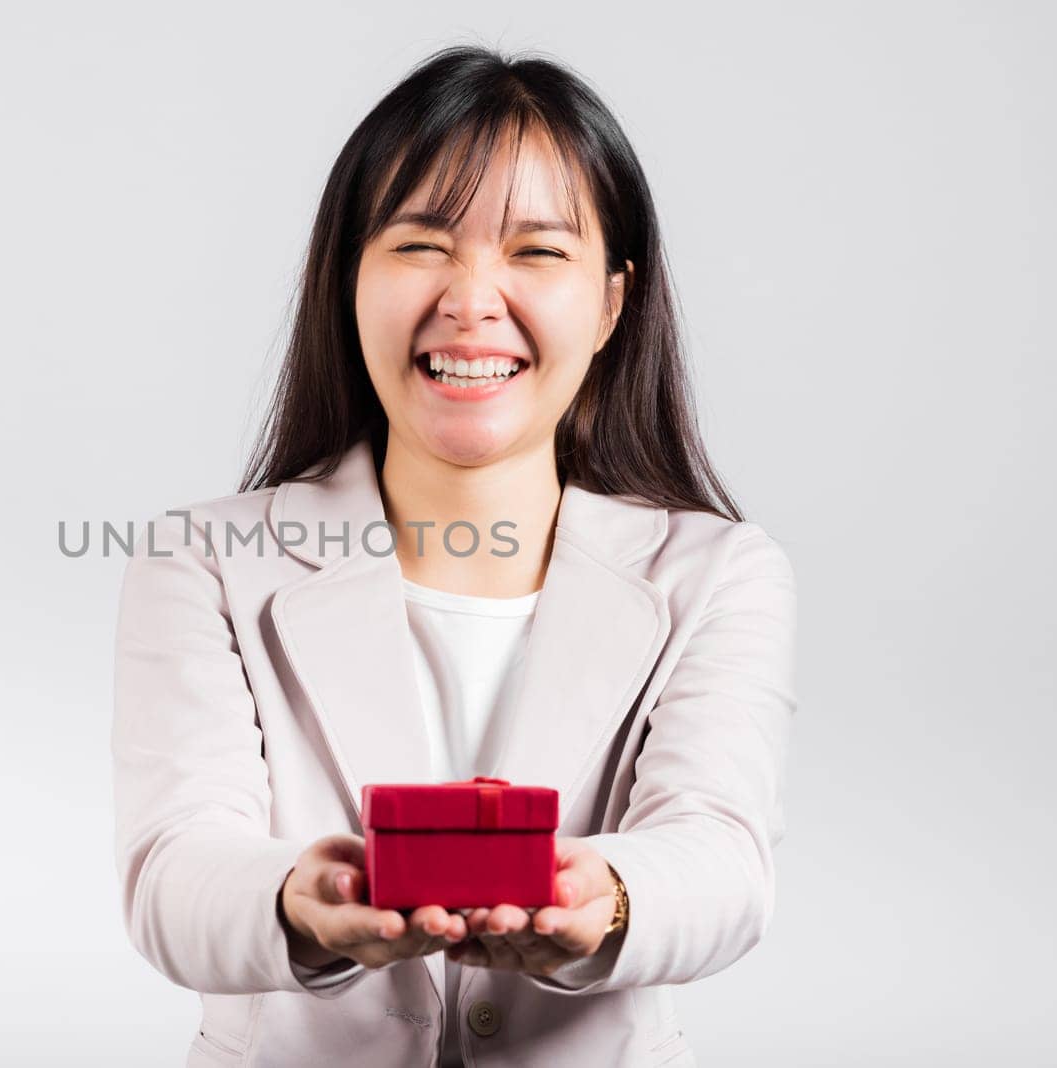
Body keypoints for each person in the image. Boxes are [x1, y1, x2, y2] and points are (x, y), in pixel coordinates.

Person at [111, 43, 796, 1068]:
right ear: (350, 279)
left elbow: (722, 858)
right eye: (422, 243)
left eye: (537, 251)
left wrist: (595, 899)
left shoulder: (717, 574)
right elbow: (172, 873)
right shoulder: (200, 563)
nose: (472, 300)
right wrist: (301, 901)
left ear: (611, 302)